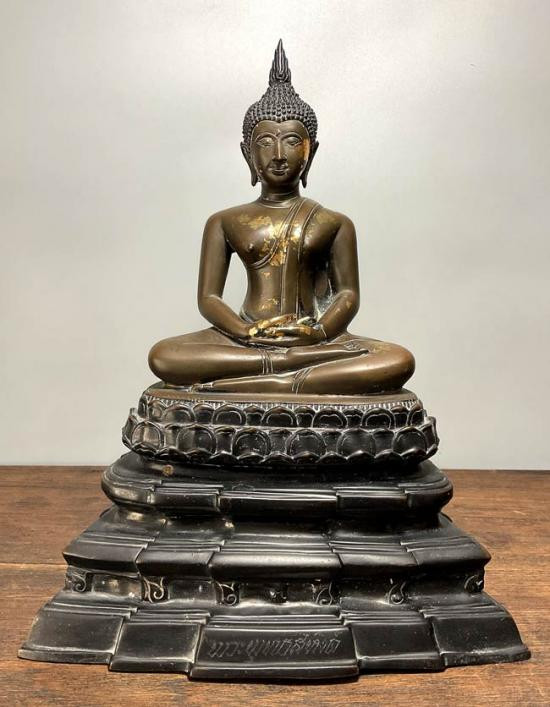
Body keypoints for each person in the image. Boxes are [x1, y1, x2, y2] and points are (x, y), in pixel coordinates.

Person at [149, 41, 414, 395]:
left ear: (310, 152)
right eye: (264, 143)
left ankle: (272, 377)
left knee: (397, 360)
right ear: (247, 154)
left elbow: (348, 294)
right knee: (165, 356)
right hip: (245, 340)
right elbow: (209, 298)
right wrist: (245, 332)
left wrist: (318, 332)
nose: (277, 154)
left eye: (291, 141)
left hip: (314, 339)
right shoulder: (224, 222)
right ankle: (284, 370)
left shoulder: (335, 223)